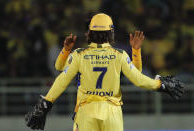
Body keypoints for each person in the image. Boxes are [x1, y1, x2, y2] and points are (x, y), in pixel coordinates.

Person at [25, 13, 185, 131]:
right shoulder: (119, 55)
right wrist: (160, 84)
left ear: (90, 33)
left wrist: (46, 102)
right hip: (112, 113)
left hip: (86, 112)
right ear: (111, 33)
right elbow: (138, 77)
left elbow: (61, 75)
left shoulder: (79, 55)